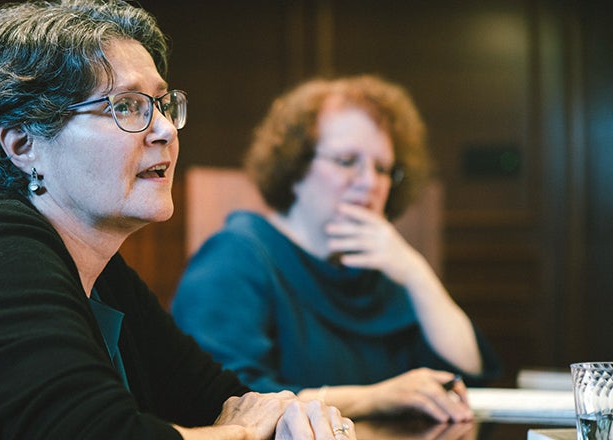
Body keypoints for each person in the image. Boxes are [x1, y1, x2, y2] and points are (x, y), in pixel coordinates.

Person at [0, 2, 356, 439]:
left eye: (161, 104)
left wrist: (283, 413)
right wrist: (246, 431)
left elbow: (223, 397)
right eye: (126, 106)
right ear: (24, 145)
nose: (163, 130)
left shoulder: (104, 274)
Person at [172, 75, 502, 423]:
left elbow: (467, 377)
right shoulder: (236, 255)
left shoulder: (381, 265)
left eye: (383, 168)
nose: (370, 182)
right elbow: (230, 400)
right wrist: (375, 398)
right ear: (296, 167)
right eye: (347, 161)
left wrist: (416, 272)